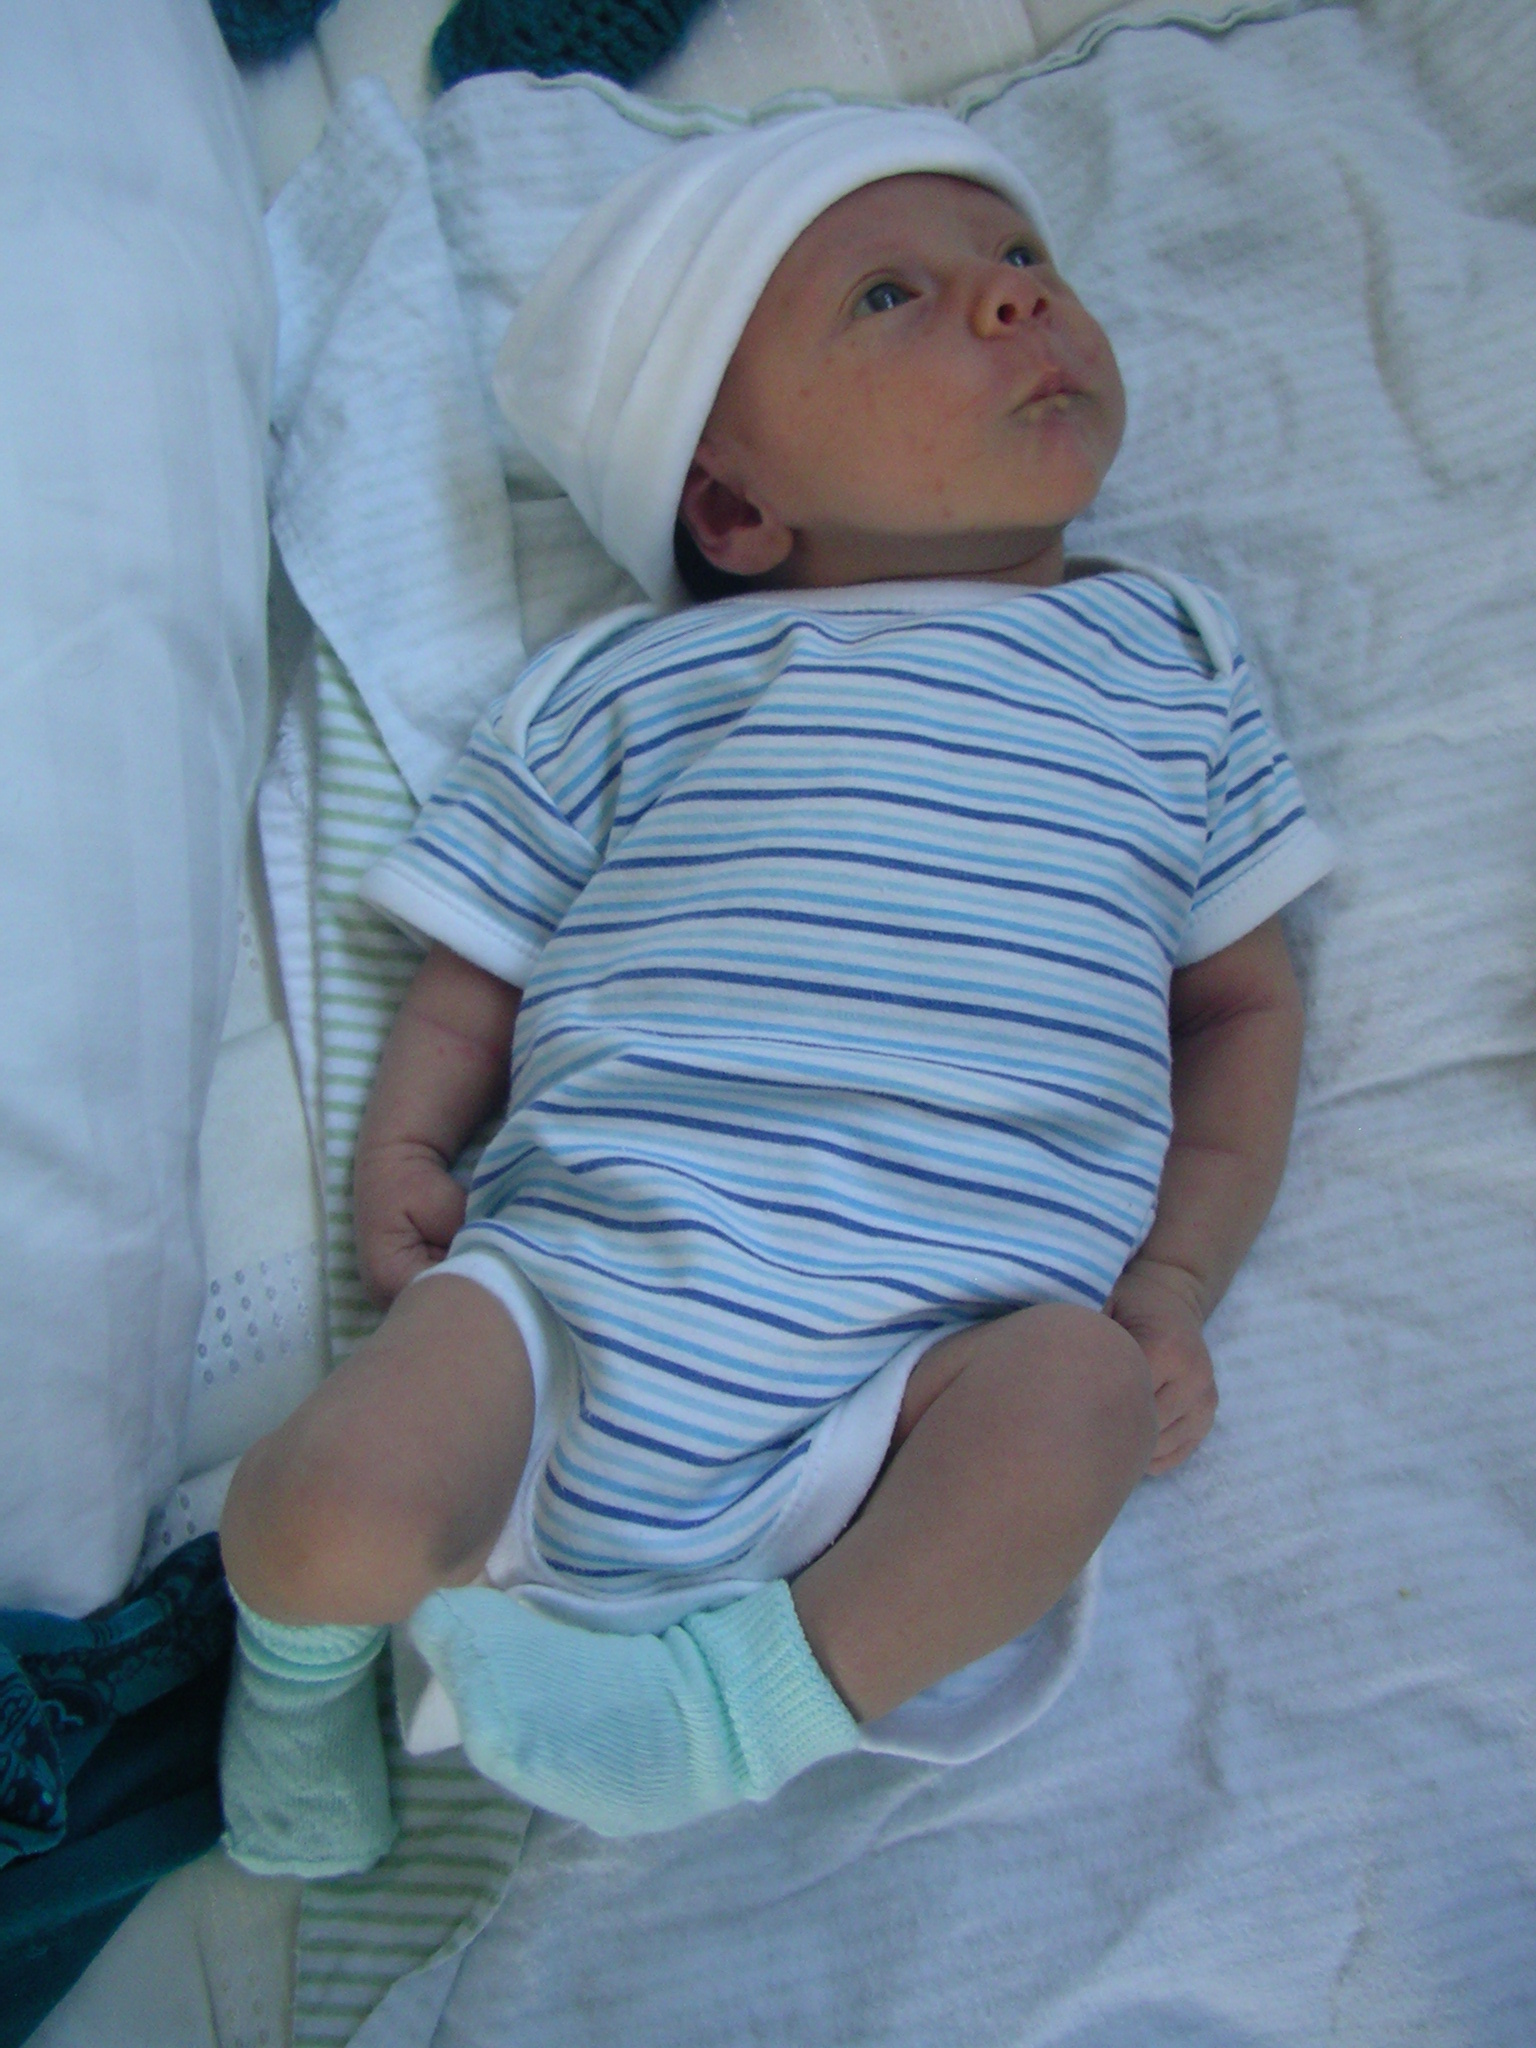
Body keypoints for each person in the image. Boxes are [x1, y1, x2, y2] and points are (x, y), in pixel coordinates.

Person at [217, 106, 1332, 1876]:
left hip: (925, 1380)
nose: (1014, 301)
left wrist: (1176, 1282)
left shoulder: (1168, 659)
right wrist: (408, 1148)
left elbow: (1244, 1011)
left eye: (1022, 259)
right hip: (578, 1300)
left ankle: (725, 1716)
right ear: (734, 507)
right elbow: (477, 964)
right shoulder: (633, 682)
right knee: (320, 1502)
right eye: (894, 294)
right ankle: (294, 1690)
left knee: (1086, 1401)